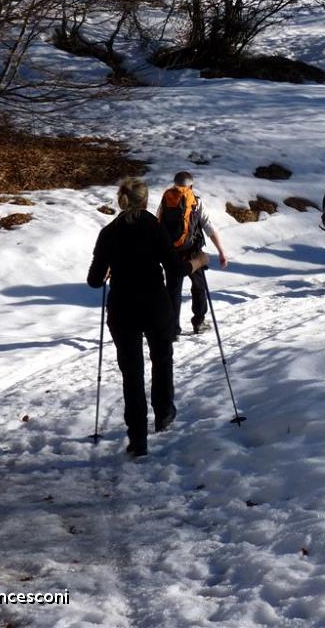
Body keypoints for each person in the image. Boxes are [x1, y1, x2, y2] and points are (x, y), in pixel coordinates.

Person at [87, 177, 208, 458]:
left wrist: (108, 271)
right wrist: (198, 261)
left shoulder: (109, 232)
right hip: (155, 304)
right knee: (162, 358)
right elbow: (176, 270)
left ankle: (137, 440)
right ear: (145, 200)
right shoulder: (154, 227)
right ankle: (164, 412)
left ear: (123, 199)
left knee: (132, 374)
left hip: (123, 308)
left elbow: (94, 281)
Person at [156, 171, 228, 338]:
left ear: (174, 184)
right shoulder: (195, 201)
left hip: (171, 254)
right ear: (191, 185)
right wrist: (221, 252)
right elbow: (208, 227)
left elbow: (158, 224)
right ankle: (199, 322)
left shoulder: (166, 199)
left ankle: (172, 330)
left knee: (173, 291)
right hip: (193, 253)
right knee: (199, 287)